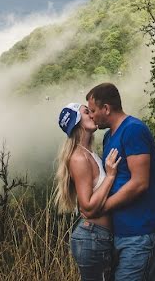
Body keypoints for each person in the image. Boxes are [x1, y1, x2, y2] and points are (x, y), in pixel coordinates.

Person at [87, 83, 155, 281]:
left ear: (106, 108)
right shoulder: (107, 137)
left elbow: (139, 183)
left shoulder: (133, 130)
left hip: (140, 233)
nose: (92, 115)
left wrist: (102, 208)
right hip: (118, 233)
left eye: (94, 110)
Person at [54, 102, 122, 281]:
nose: (92, 114)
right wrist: (110, 176)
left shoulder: (90, 153)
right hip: (93, 238)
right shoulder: (79, 158)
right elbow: (88, 206)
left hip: (99, 237)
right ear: (77, 122)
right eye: (87, 112)